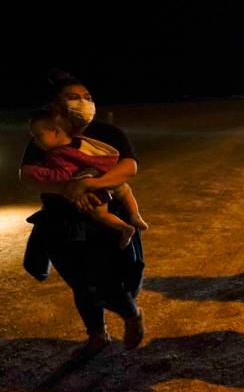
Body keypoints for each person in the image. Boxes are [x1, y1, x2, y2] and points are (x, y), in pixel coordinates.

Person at [19, 70, 145, 359]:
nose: (83, 102)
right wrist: (66, 189)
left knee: (110, 278)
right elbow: (27, 176)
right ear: (55, 106)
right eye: (73, 97)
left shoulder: (107, 133)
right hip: (61, 221)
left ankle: (131, 314)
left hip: (105, 218)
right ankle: (97, 334)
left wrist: (91, 184)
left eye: (86, 97)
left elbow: (128, 167)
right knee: (79, 281)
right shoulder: (43, 135)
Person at [24, 109, 148, 248]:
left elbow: (63, 176)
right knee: (125, 191)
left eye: (38, 136)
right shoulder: (81, 142)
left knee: (100, 215)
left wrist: (39, 172)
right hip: (108, 177)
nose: (35, 141)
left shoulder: (57, 154)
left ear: (56, 132)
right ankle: (135, 215)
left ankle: (125, 228)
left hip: (94, 190)